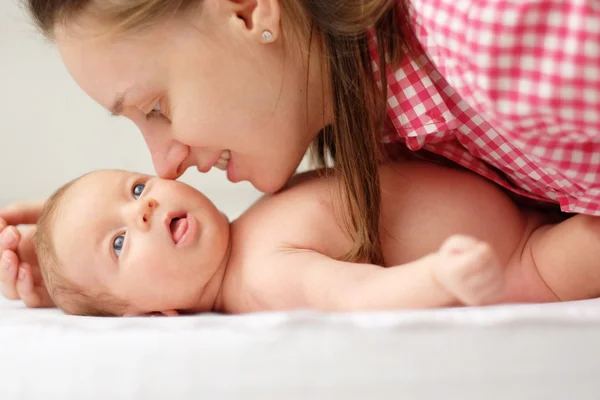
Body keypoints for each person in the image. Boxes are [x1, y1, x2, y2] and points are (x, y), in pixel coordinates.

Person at [1, 0, 599, 307]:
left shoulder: (493, 32)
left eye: (156, 107)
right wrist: (77, 277)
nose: (163, 167)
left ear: (246, 10)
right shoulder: (381, 113)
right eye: (120, 241)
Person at [29, 163, 600, 316]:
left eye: (133, 188)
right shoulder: (261, 275)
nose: (145, 209)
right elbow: (352, 294)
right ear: (158, 315)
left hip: (517, 194)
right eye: (119, 244)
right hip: (521, 262)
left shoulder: (247, 230)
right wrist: (436, 277)